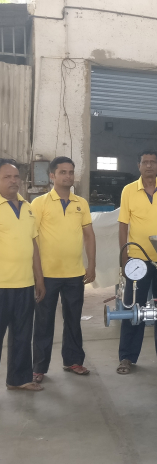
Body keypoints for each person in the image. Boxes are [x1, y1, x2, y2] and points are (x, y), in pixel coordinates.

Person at [116, 151, 157, 374]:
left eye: (153, 162)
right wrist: (124, 256)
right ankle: (127, 357)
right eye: (145, 162)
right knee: (133, 307)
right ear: (139, 165)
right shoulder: (128, 191)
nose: (149, 166)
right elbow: (123, 225)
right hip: (137, 259)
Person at [31, 157, 96, 383]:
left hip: (74, 274)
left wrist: (91, 264)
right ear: (52, 176)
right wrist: (38, 276)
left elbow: (89, 235)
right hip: (47, 275)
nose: (68, 176)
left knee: (73, 320)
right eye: (62, 172)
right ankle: (39, 367)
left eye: (70, 172)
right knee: (43, 322)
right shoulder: (39, 203)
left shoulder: (81, 203)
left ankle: (73, 361)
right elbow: (32, 239)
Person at [0, 158, 45, 391]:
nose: (13, 181)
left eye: (16, 176)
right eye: (7, 177)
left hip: (25, 284)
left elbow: (33, 245)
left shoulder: (28, 207)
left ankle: (18, 379)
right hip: (2, 284)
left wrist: (39, 279)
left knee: (22, 334)